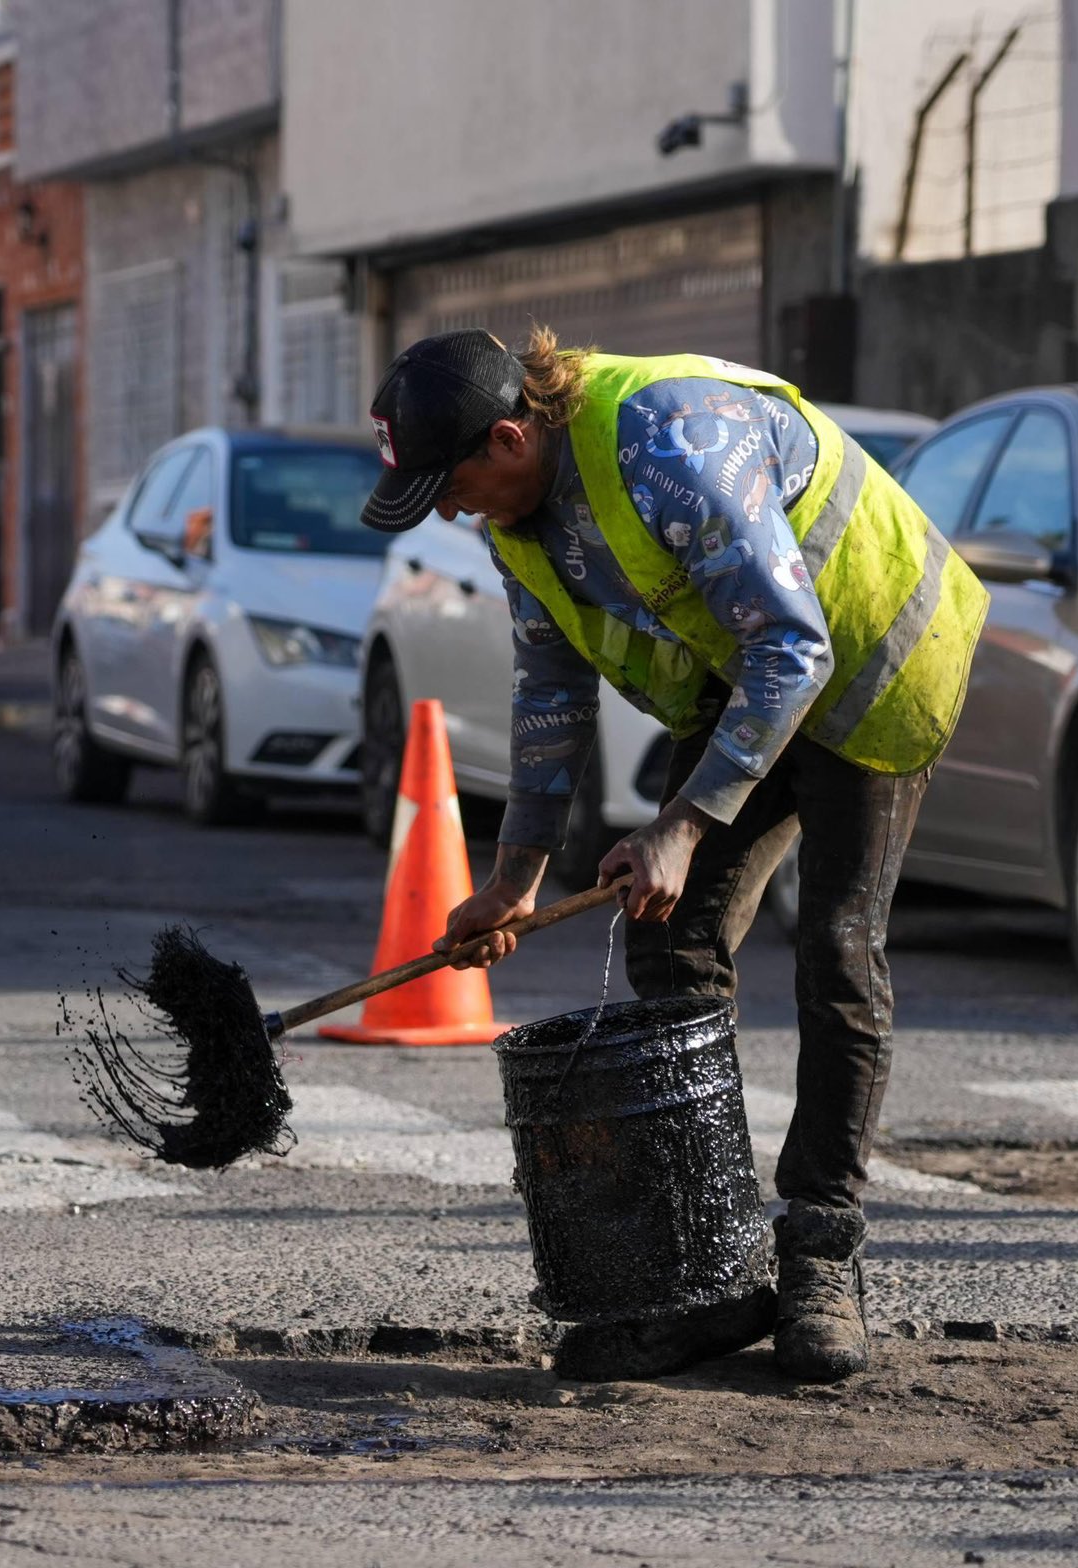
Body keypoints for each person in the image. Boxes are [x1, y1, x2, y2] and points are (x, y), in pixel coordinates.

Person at [360, 328, 987, 1382]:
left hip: (869, 654)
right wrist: (508, 885)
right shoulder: (516, 524)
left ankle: (820, 1258)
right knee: (670, 936)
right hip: (748, 679)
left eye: (452, 486)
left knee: (835, 947)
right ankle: (710, 1273)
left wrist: (681, 827)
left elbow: (796, 645)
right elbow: (548, 694)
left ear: (508, 437)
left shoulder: (666, 442)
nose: (450, 512)